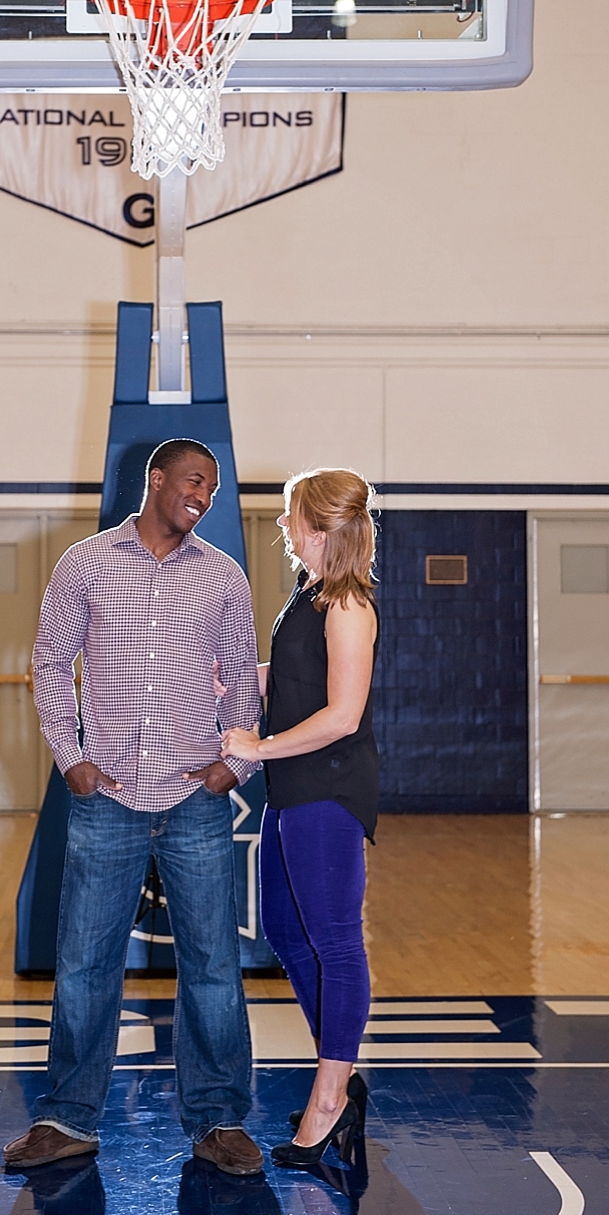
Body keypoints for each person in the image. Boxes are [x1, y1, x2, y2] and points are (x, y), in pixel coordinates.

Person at [3, 439, 265, 1176]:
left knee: (213, 964)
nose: (202, 496)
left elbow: (244, 681)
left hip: (195, 799)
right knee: (86, 963)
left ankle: (218, 1121)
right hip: (107, 796)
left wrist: (232, 767)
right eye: (192, 481)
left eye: (211, 488)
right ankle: (67, 1119)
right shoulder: (84, 564)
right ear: (156, 480)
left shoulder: (223, 577)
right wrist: (71, 757)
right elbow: (51, 661)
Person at [221, 468, 379, 1168]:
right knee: (286, 931)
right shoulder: (309, 597)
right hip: (292, 789)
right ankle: (338, 1078)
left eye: (288, 516)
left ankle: (329, 1099)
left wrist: (257, 745)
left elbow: (342, 715)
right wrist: (228, 678)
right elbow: (292, 679)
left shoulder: (348, 606)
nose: (282, 525)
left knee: (336, 942)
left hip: (328, 793)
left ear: (316, 527)